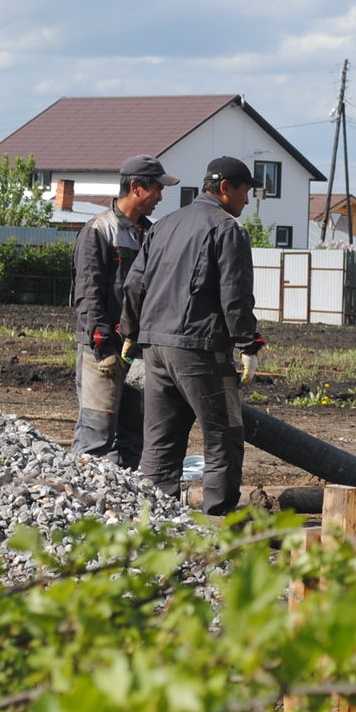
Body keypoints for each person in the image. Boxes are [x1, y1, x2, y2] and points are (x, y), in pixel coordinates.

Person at [121, 156, 265, 515]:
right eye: (245, 192)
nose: (246, 201)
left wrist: (130, 331)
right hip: (199, 350)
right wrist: (248, 344)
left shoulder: (164, 225)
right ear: (225, 188)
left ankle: (152, 521)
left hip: (155, 349)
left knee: (160, 441)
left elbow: (135, 283)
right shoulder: (227, 229)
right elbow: (235, 295)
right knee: (224, 436)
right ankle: (217, 522)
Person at [69, 154, 178, 468]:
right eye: (157, 188)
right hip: (102, 351)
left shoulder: (151, 234)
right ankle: (80, 504)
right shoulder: (99, 231)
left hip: (139, 350)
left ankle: (123, 506)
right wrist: (102, 346)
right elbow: (88, 295)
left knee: (134, 436)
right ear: (136, 188)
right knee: (96, 433)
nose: (160, 196)